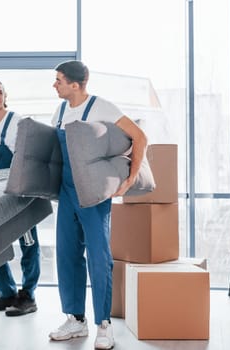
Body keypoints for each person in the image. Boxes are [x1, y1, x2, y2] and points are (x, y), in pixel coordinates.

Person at [47, 61, 147, 349]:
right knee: (66, 254)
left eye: (59, 80)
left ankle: (104, 325)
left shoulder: (102, 107)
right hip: (67, 192)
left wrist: (129, 180)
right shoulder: (60, 111)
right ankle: (75, 320)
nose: (55, 85)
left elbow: (140, 137)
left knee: (99, 257)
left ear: (75, 84)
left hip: (93, 193)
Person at [0, 78, 41, 317]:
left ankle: (28, 295)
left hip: (19, 192)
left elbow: (28, 156)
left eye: (0, 92)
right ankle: (7, 293)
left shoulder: (17, 122)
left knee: (28, 244)